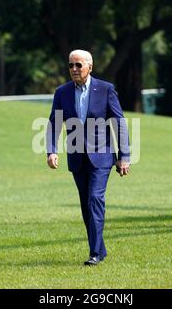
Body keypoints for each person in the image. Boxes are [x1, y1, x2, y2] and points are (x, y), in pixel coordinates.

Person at [46, 50, 130, 265]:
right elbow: (54, 122)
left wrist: (124, 156)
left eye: (78, 65)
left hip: (101, 157)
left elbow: (119, 123)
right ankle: (100, 249)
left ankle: (93, 253)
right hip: (76, 158)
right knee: (86, 205)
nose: (74, 69)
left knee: (95, 199)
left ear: (90, 67)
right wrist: (51, 150)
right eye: (71, 65)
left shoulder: (105, 89)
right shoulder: (62, 92)